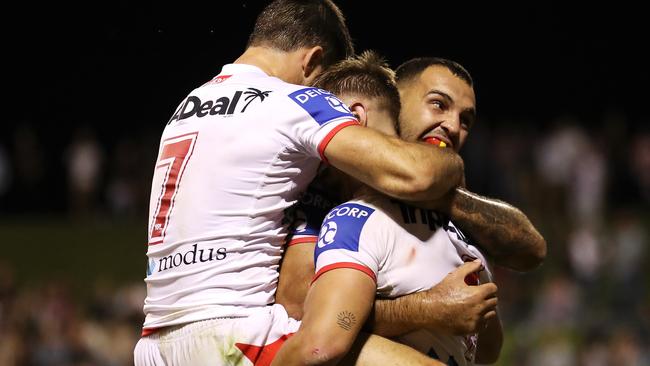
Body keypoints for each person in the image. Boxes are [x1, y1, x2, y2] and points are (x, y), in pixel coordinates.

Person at [134, 1, 475, 364]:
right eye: (324, 82)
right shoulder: (297, 101)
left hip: (155, 342)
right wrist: (448, 160)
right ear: (312, 61)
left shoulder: (188, 104)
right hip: (235, 334)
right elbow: (415, 173)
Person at [273, 57, 546, 365]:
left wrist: (439, 197)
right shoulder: (336, 191)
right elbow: (302, 310)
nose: (454, 126)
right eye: (439, 105)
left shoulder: (451, 218)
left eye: (466, 120)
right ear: (396, 102)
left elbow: (531, 251)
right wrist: (425, 309)